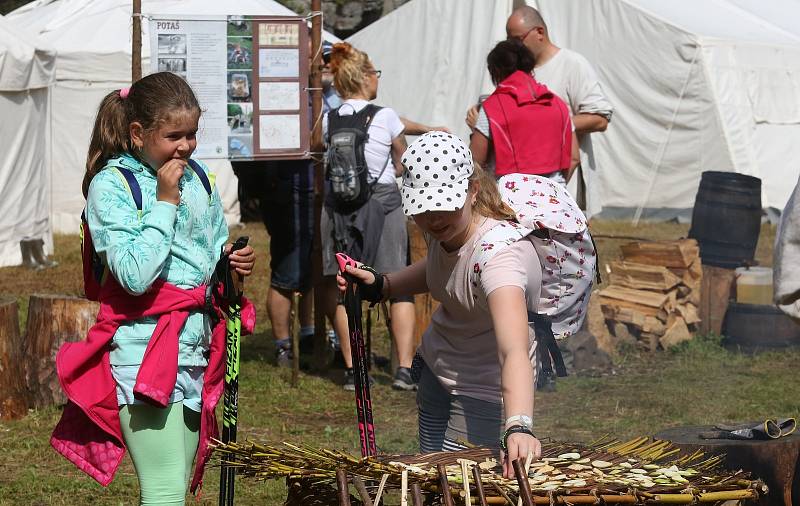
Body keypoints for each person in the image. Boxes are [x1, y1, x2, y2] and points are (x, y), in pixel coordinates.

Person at [51, 72, 256, 504]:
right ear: (139, 133)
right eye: (173, 136)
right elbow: (133, 275)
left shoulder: (198, 177)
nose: (186, 146)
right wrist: (164, 201)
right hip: (143, 353)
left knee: (173, 488)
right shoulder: (112, 185)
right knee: (163, 492)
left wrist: (231, 265)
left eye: (192, 134)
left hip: (194, 350)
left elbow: (209, 254)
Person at [337, 131, 543, 476]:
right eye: (424, 208)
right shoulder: (447, 231)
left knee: (455, 483)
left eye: (445, 205)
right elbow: (442, 270)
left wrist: (519, 423)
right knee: (429, 475)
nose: (433, 219)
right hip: (436, 368)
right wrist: (383, 285)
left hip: (483, 389)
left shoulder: (500, 259)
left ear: (472, 191)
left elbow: (514, 350)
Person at [322, 42, 418, 391]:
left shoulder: (330, 119)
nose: (378, 79)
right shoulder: (386, 115)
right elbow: (404, 159)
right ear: (364, 77)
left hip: (339, 208)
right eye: (375, 73)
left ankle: (352, 369)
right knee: (399, 283)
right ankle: (404, 369)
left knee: (343, 286)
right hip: (382, 204)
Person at [467, 6, 613, 213]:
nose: (513, 45)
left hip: (558, 186)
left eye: (517, 39)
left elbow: (600, 118)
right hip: (543, 191)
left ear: (540, 33)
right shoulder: (517, 74)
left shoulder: (573, 65)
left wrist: (546, 124)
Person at [470, 39, 578, 185]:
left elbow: (475, 164)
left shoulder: (492, 107)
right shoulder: (559, 104)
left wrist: (475, 128)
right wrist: (556, 187)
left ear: (496, 71)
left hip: (508, 200)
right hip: (554, 199)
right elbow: (574, 158)